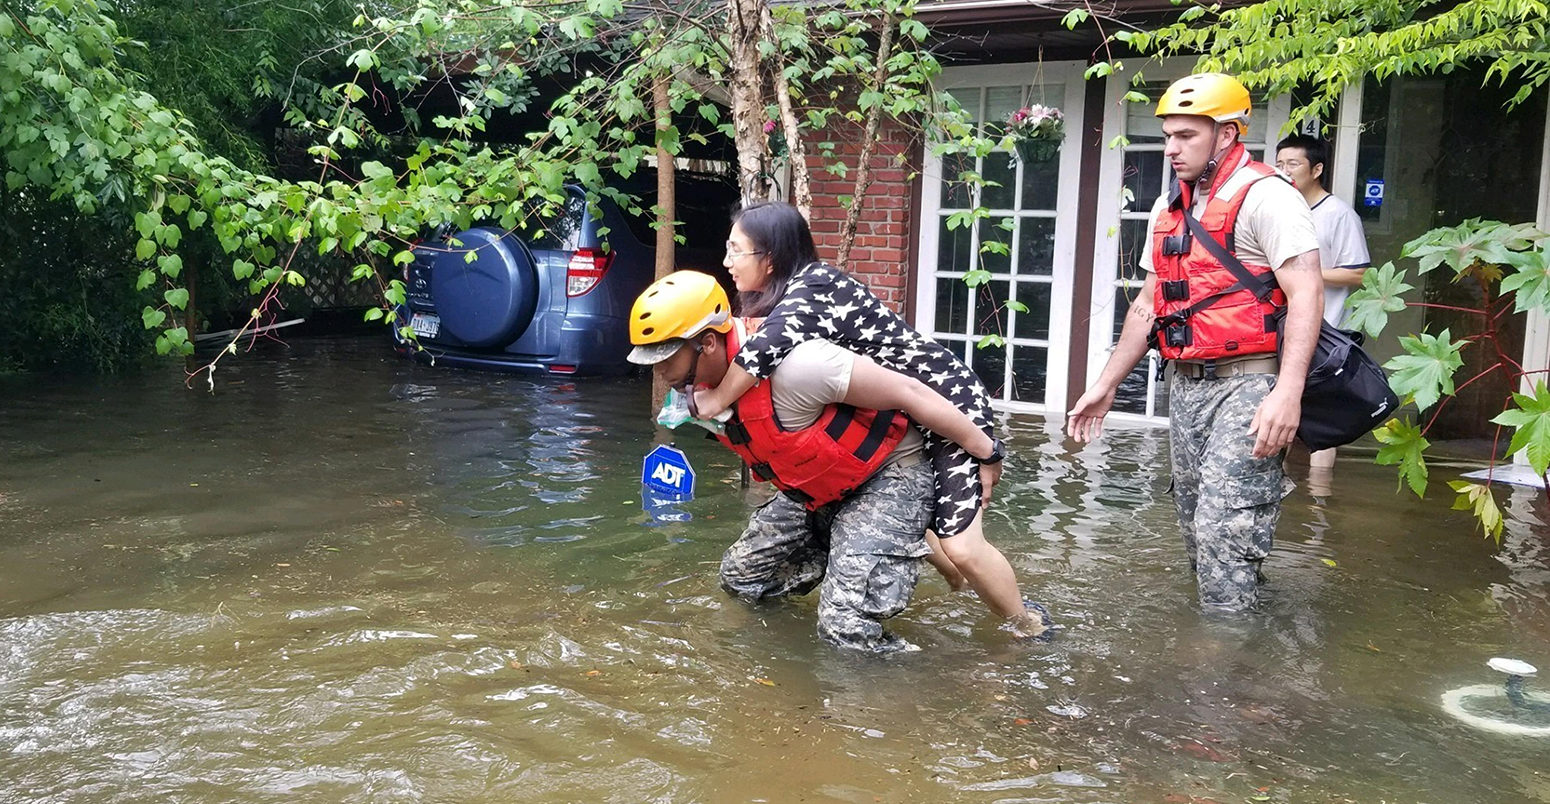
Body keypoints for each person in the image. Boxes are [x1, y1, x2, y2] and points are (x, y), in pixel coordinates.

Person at [627, 271, 1048, 650]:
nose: (660, 372)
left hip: (890, 475)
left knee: (844, 625)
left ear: (708, 342)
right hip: (820, 490)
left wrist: (988, 452)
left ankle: (928, 680)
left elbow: (912, 394)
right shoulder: (699, 393)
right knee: (742, 579)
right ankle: (788, 650)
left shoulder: (800, 367)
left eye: (666, 359)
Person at [1066, 73, 1324, 611]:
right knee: (1194, 526)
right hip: (1185, 387)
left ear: (1227, 134)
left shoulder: (1267, 198)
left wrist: (1289, 391)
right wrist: (1106, 386)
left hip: (1251, 383)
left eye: (1186, 135)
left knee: (1225, 529)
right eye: (1167, 135)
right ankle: (1230, 646)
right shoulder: (1170, 210)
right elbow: (1148, 305)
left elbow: (1307, 295)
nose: (1170, 148)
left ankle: (1229, 669)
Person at [1275, 133, 1373, 476]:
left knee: (1323, 414)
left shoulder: (1339, 214)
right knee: (1279, 406)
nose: (1284, 171)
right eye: (1280, 163)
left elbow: (1359, 274)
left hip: (1328, 328)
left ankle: (1320, 500)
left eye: (1293, 164)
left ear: (1316, 169)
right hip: (1281, 327)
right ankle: (1280, 486)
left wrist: (1307, 274)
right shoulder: (1279, 210)